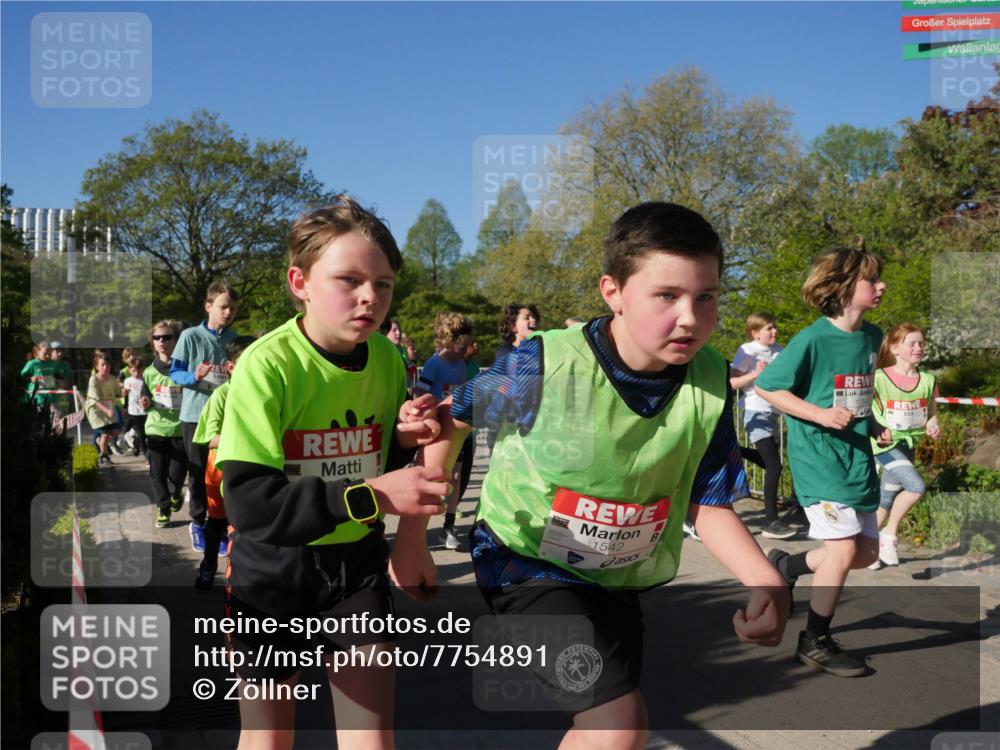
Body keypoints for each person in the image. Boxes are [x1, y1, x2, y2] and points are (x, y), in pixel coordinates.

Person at [425, 202, 789, 750]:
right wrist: (413, 536)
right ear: (613, 292)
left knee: (613, 720)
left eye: (706, 297)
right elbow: (454, 417)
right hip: (523, 561)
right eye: (666, 296)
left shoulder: (711, 380)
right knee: (617, 720)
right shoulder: (543, 362)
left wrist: (765, 579)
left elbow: (706, 501)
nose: (690, 316)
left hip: (617, 576)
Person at [216, 196, 449, 750]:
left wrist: (401, 437)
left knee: (371, 740)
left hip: (356, 570)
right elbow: (250, 503)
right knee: (268, 739)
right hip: (273, 574)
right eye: (349, 280)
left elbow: (378, 466)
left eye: (384, 284)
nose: (371, 297)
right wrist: (374, 492)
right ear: (300, 281)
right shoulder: (267, 365)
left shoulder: (388, 360)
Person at [755, 246, 885, 678]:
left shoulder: (873, 336)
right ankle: (814, 640)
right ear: (845, 288)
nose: (881, 286)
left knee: (864, 553)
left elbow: (858, 393)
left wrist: (875, 424)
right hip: (818, 458)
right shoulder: (812, 338)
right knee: (843, 548)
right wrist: (819, 414)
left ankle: (787, 566)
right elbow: (769, 388)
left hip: (856, 455)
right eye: (872, 280)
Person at [170, 281, 239, 553]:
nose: (228, 313)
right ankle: (198, 522)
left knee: (224, 472)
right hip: (195, 415)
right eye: (223, 307)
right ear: (208, 306)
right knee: (198, 472)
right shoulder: (189, 336)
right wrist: (193, 376)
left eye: (233, 308)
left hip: (226, 417)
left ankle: (221, 525)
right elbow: (174, 372)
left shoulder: (234, 339)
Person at [868, 323, 940, 569]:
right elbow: (863, 409)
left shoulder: (929, 380)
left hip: (909, 444)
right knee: (916, 487)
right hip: (884, 445)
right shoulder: (879, 377)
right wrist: (876, 426)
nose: (919, 348)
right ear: (895, 348)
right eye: (912, 343)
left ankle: (864, 551)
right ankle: (889, 537)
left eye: (921, 343)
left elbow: (931, 413)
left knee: (886, 501)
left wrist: (933, 425)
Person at [191, 335, 256, 591]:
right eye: (248, 363)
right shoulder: (221, 395)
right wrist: (246, 437)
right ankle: (208, 568)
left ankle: (242, 573)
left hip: (253, 469)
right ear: (231, 367)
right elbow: (209, 437)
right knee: (217, 523)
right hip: (220, 471)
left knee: (247, 524)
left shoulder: (265, 392)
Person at [731, 312, 796, 540]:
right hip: (754, 412)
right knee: (775, 467)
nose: (774, 332)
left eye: (774, 327)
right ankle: (771, 521)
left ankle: (734, 451)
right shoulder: (748, 350)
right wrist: (755, 374)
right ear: (755, 333)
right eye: (769, 329)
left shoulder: (781, 350)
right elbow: (732, 382)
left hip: (775, 413)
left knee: (768, 462)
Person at [416, 312, 476, 550]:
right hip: (438, 430)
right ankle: (416, 529)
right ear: (449, 339)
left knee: (458, 476)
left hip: (460, 431)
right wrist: (439, 404)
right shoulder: (434, 363)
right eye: (462, 341)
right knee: (434, 479)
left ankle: (448, 527)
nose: (467, 346)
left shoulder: (462, 363)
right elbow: (420, 396)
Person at [141, 321, 189, 528]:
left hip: (180, 428)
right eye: (157, 338)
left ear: (175, 341)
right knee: (157, 473)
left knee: (178, 474)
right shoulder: (149, 372)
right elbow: (145, 397)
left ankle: (176, 492)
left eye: (167, 337)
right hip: (156, 428)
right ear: (153, 343)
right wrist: (144, 402)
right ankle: (163, 508)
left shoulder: (186, 367)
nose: (162, 341)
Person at [86, 354, 122, 465]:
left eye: (107, 365)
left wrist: (124, 392)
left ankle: (101, 442)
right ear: (97, 366)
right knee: (105, 434)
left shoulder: (112, 379)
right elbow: (95, 401)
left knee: (116, 431)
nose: (105, 367)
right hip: (96, 410)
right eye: (102, 365)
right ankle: (104, 454)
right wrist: (107, 411)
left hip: (109, 407)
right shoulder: (93, 380)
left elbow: (118, 393)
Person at [122, 359, 148, 457]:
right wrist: (124, 406)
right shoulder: (128, 381)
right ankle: (147, 457)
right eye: (134, 371)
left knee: (145, 434)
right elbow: (125, 395)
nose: (136, 373)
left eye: (138, 370)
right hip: (133, 412)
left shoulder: (145, 379)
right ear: (129, 370)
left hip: (145, 411)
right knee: (141, 435)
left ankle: (135, 441)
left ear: (142, 370)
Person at [49, 342, 74, 415]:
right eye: (57, 351)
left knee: (59, 414)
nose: (60, 353)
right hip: (43, 395)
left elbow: (65, 383)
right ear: (50, 352)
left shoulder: (64, 365)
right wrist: (57, 380)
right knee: (57, 414)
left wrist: (62, 385)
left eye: (61, 351)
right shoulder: (45, 363)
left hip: (56, 397)